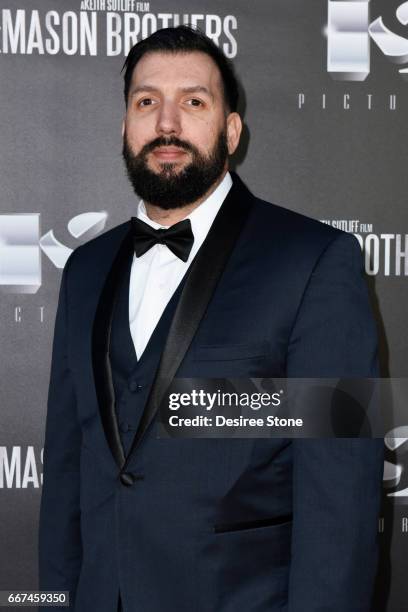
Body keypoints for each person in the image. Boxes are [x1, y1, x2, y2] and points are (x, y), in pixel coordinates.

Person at [38, 25, 384, 612]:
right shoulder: (84, 269)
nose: (167, 123)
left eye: (193, 102)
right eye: (147, 102)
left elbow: (341, 500)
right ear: (124, 126)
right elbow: (67, 477)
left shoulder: (316, 261)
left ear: (230, 130)